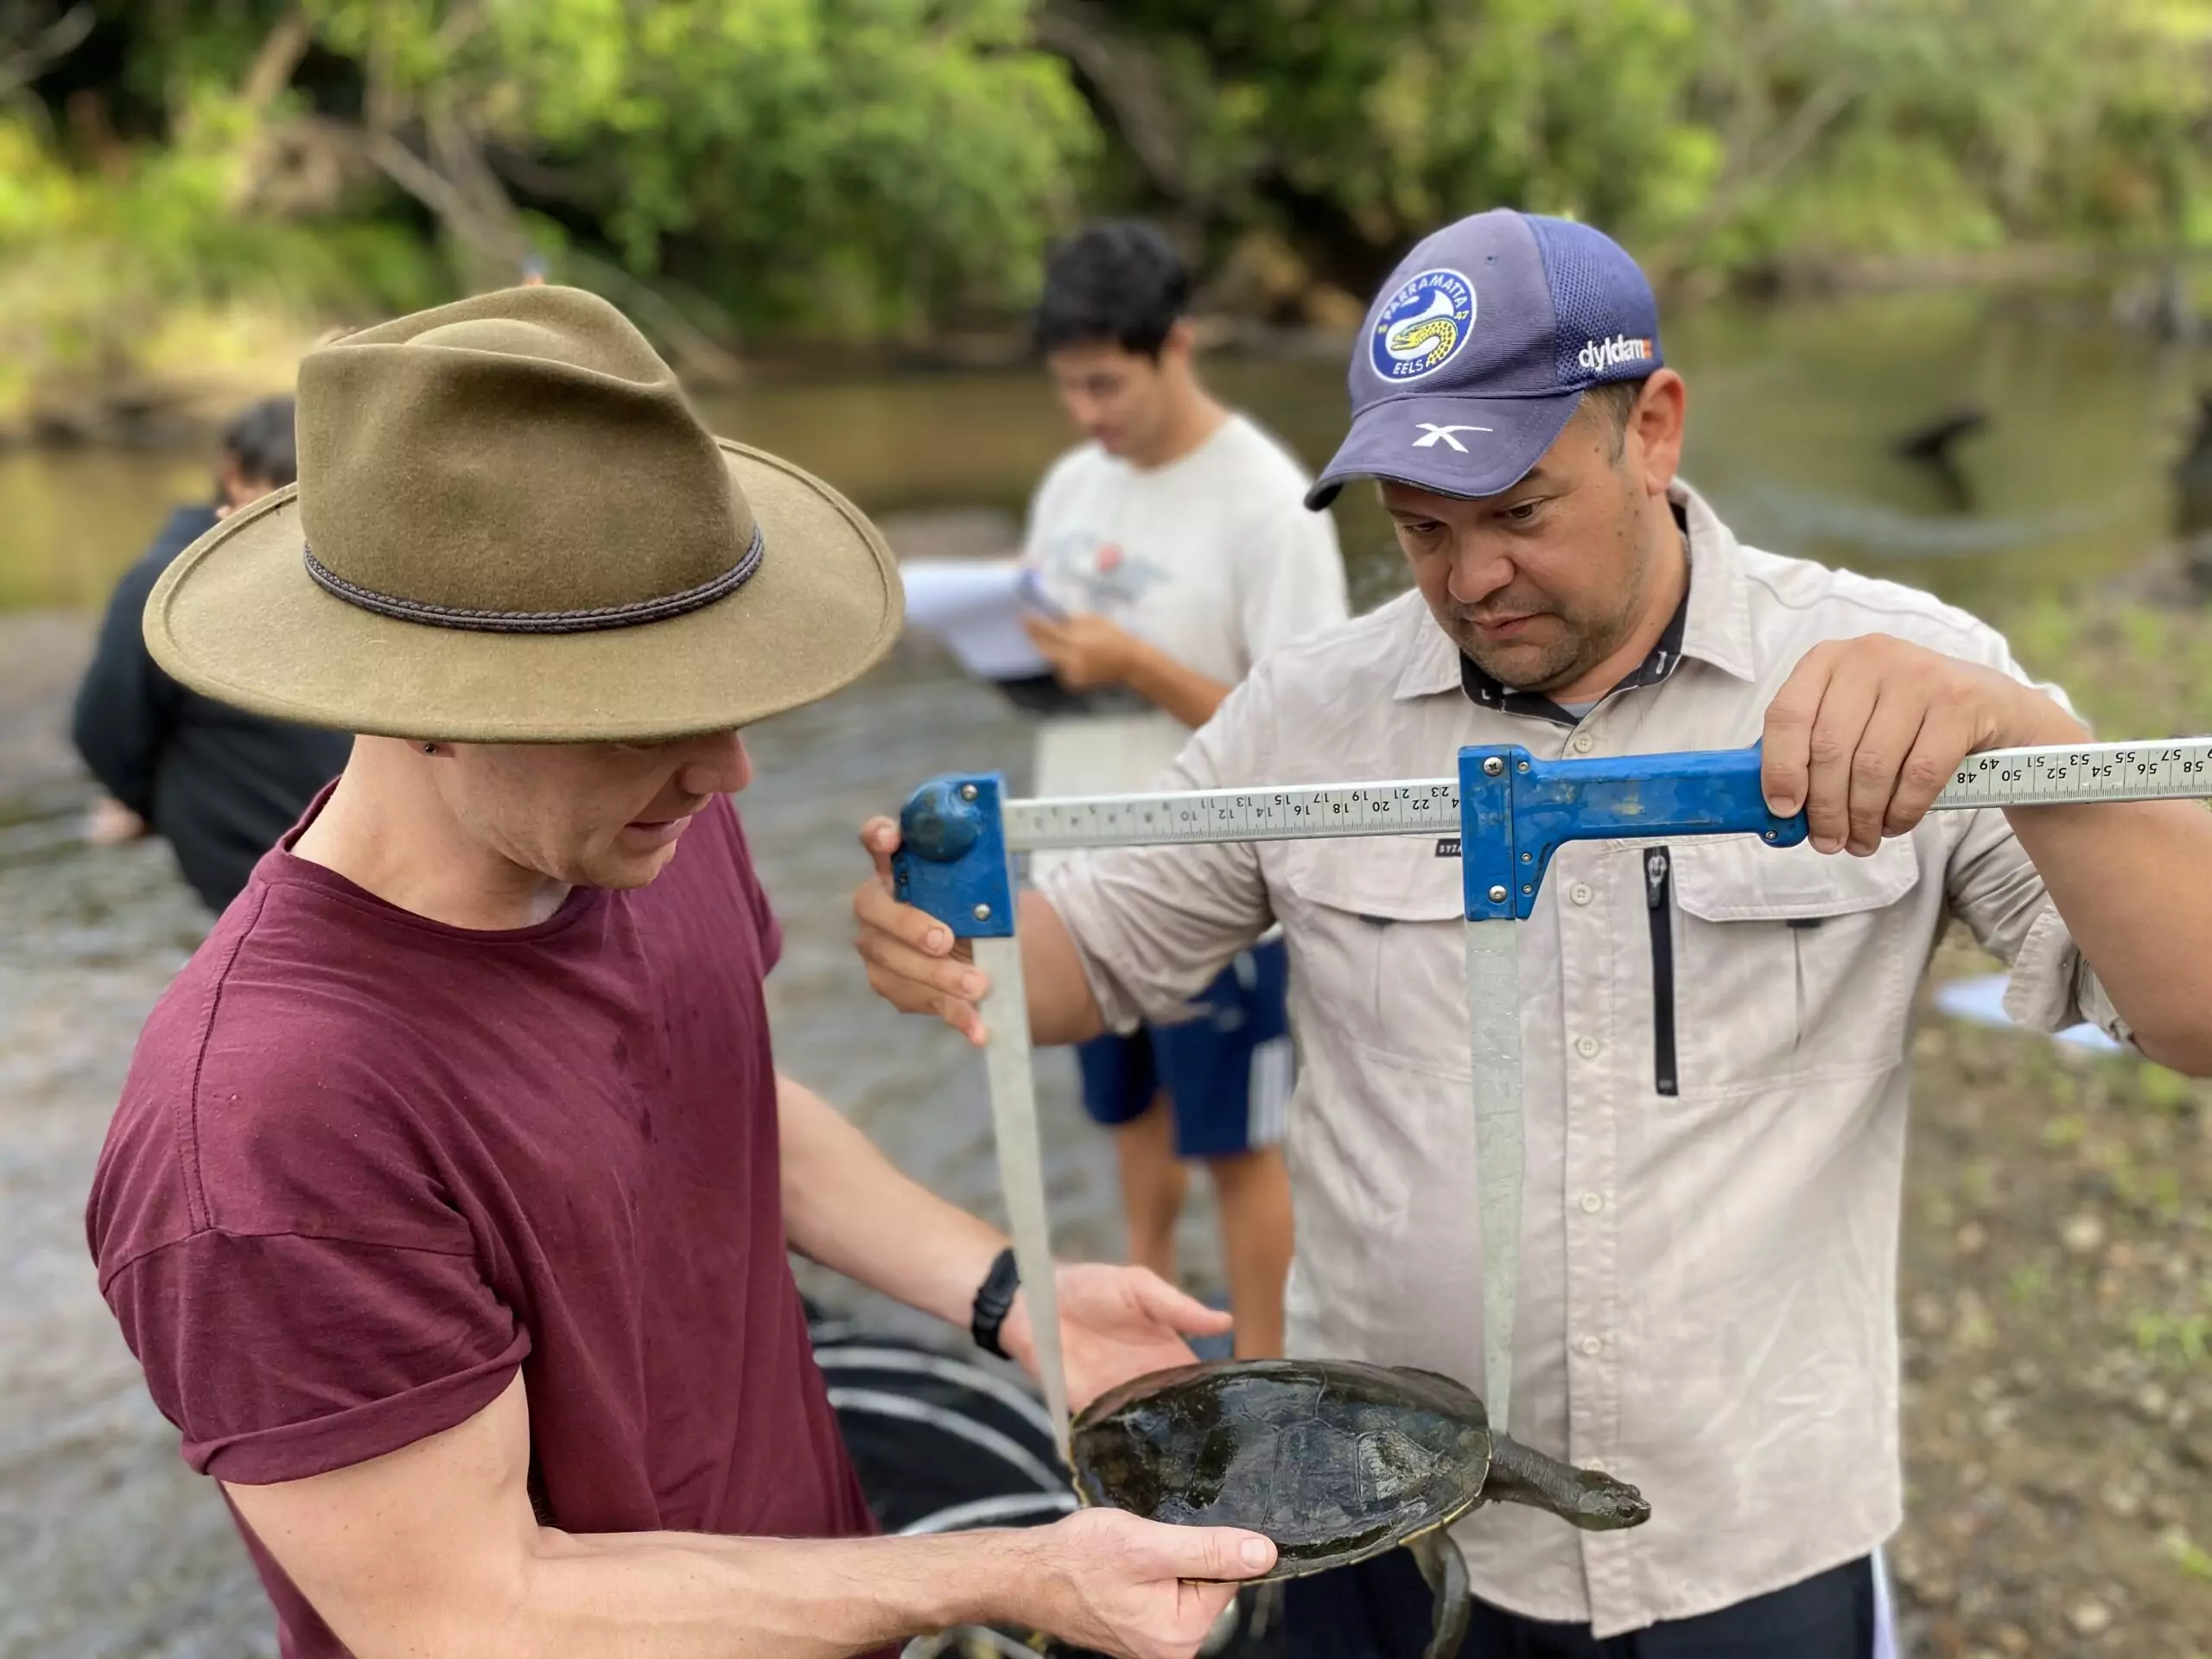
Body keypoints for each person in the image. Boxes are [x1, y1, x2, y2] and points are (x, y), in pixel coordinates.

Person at [851, 208, 2212, 1656]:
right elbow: (1086, 960)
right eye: (1422, 530)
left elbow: (2193, 1017)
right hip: (1376, 1521)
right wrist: (945, 933)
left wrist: (2029, 738)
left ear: (1655, 429)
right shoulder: (1312, 716)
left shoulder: (1897, 682)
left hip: (1748, 1541)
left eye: (1519, 513)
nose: (1471, 579)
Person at [85, 286, 1275, 1659]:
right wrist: (1001, 1576)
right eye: (646, 713)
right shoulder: (263, 1131)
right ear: (423, 706)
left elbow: (716, 1095)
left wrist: (1009, 1291)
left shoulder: (642, 821)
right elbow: (474, 1613)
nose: (729, 771)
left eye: (728, 691)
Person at [1016, 221, 1351, 1358]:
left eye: (1106, 382)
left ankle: (1266, 1369)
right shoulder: (1072, 484)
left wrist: (1140, 667)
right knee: (1131, 1119)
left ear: (1178, 349)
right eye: (1068, 386)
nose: (1087, 413)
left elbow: (1315, 739)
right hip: (1079, 876)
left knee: (1237, 1147)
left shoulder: (1268, 503)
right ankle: (1146, 1332)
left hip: (1222, 889)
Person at [72, 395, 354, 910]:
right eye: (281, 498)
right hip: (267, 870)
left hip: (335, 862)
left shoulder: (332, 570)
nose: (298, 522)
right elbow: (103, 728)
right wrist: (149, 802)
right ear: (235, 478)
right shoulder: (163, 590)